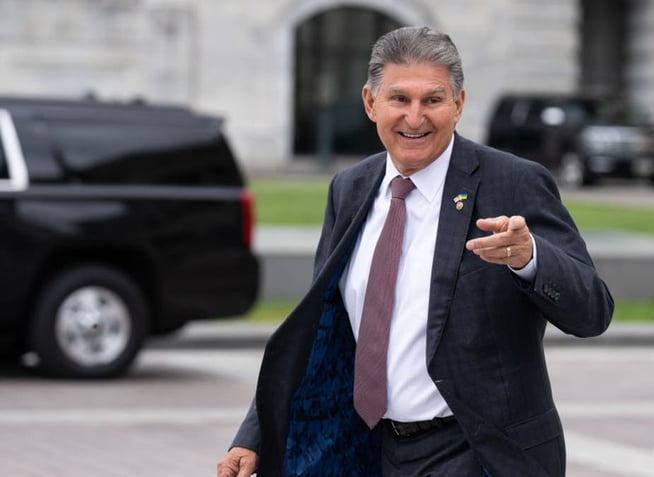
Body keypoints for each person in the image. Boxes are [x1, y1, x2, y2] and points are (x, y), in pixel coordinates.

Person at [217, 25, 614, 477]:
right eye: (399, 99)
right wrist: (256, 434)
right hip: (369, 451)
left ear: (459, 105)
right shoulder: (349, 189)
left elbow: (593, 311)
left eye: (433, 100)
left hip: (476, 454)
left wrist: (531, 258)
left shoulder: (514, 182)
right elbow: (320, 330)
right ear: (371, 103)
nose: (415, 117)